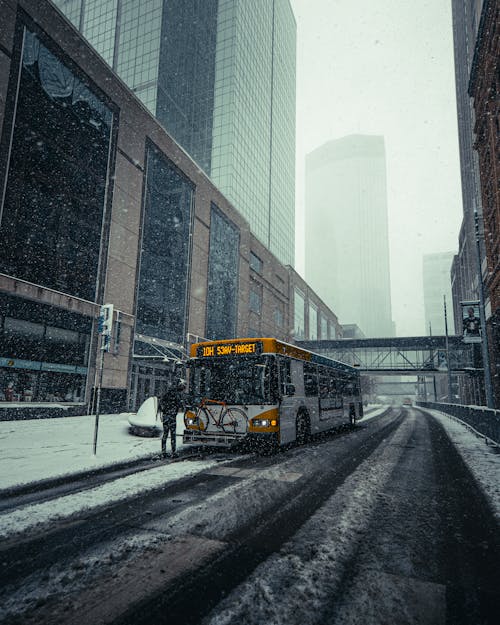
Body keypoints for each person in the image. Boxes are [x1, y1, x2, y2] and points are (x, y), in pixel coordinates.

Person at [158, 379, 186, 459]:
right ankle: (173, 452)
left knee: (165, 434)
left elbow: (161, 403)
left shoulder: (166, 394)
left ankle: (163, 451)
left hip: (166, 416)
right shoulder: (176, 394)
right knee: (173, 435)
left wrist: (164, 410)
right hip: (172, 416)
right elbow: (179, 404)